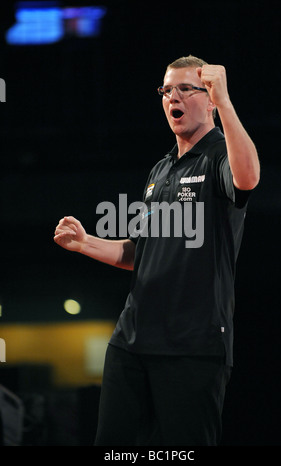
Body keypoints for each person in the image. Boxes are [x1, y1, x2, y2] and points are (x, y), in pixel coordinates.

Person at [54, 55, 260, 446]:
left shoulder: (220, 154)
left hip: (193, 345)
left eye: (186, 88)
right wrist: (85, 243)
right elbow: (141, 253)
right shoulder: (161, 170)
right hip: (131, 342)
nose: (172, 97)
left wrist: (227, 101)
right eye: (167, 90)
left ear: (211, 99)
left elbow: (247, 178)